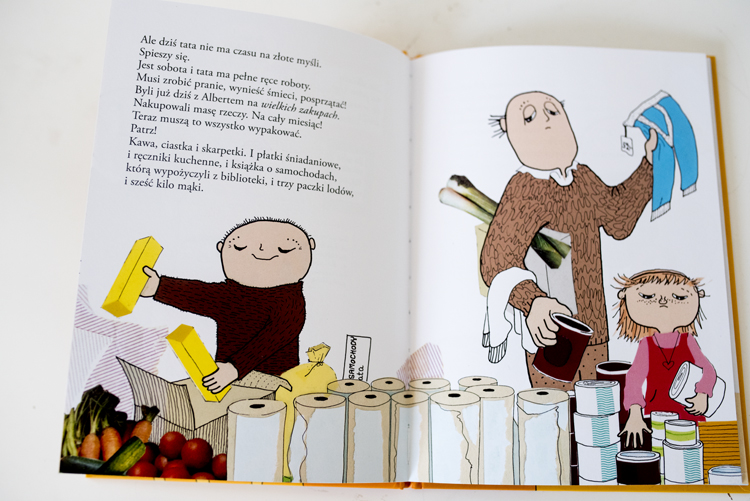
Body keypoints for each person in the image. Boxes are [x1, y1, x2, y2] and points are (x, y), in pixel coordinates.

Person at [480, 91, 658, 389]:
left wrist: (648, 165)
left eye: (553, 111)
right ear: (509, 131)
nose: (546, 121)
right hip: (552, 332)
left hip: (594, 328)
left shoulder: (583, 178)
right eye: (529, 117)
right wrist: (533, 301)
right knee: (556, 409)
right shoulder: (524, 189)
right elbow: (497, 260)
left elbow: (618, 220)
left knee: (596, 408)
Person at [140, 217, 316, 394]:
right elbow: (198, 294)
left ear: (310, 246)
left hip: (276, 385)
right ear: (221, 248)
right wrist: (159, 286)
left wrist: (234, 368)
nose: (262, 250)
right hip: (226, 384)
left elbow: (273, 338)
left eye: (284, 250)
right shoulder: (229, 295)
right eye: (240, 247)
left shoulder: (290, 301)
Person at [615, 269, 716, 448]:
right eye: (647, 296)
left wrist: (703, 393)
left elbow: (708, 370)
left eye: (679, 297)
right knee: (661, 455)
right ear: (625, 296)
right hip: (658, 415)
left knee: (689, 455)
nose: (663, 301)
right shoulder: (646, 345)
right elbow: (634, 380)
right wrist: (635, 413)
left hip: (690, 412)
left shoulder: (688, 341)